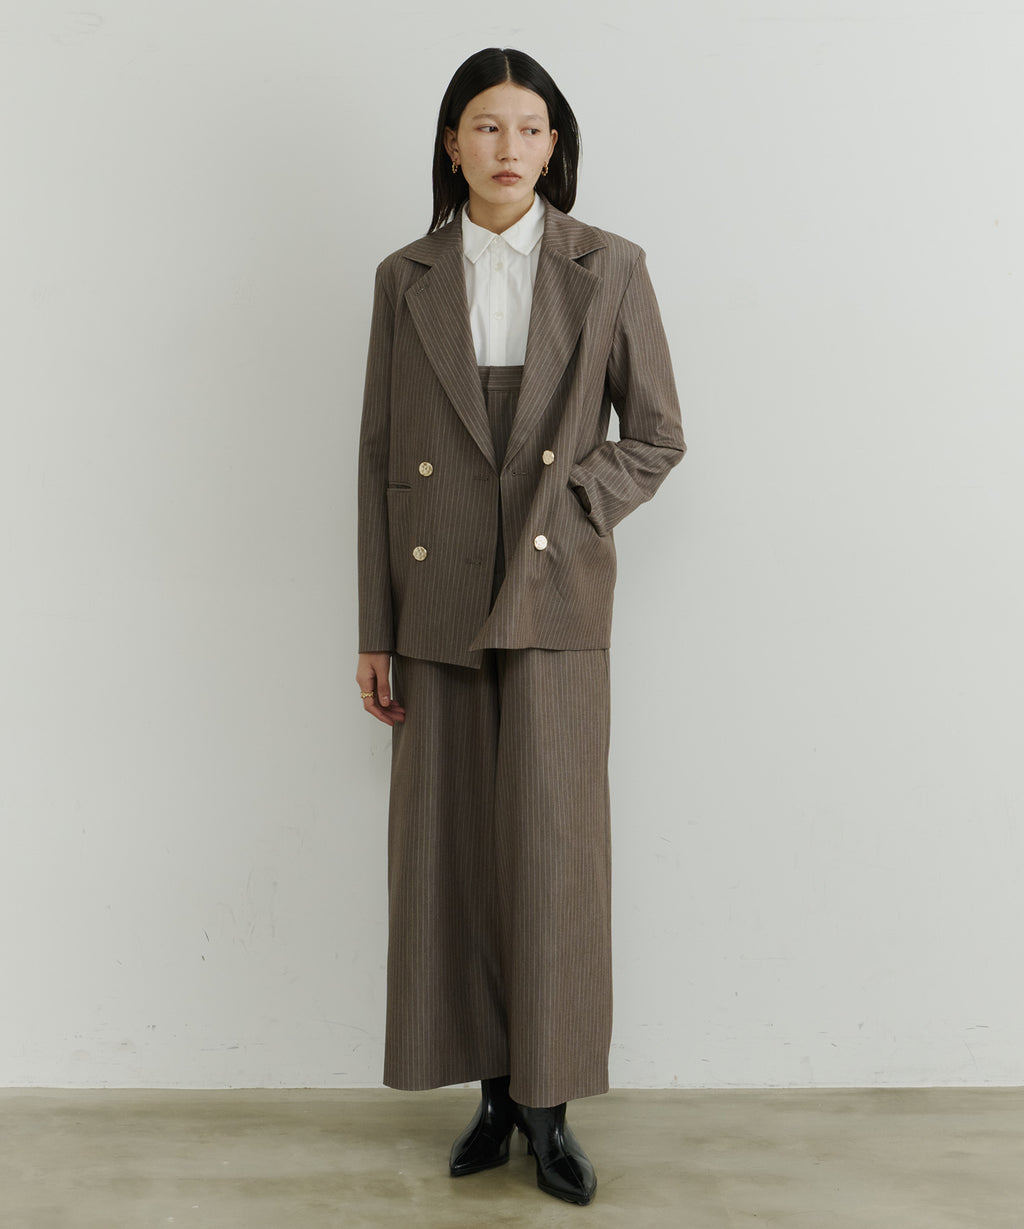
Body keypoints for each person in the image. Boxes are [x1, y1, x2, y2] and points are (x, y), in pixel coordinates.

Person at [355, 47, 686, 1207]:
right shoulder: (404, 277)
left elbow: (656, 434)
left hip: (554, 592)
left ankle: (549, 1105)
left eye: (530, 128)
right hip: (436, 594)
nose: (509, 148)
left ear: (556, 145)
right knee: (447, 853)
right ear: (452, 144)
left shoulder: (611, 266)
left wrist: (573, 508)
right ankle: (491, 1093)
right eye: (486, 126)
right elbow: (379, 459)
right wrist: (375, 626)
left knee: (551, 851)